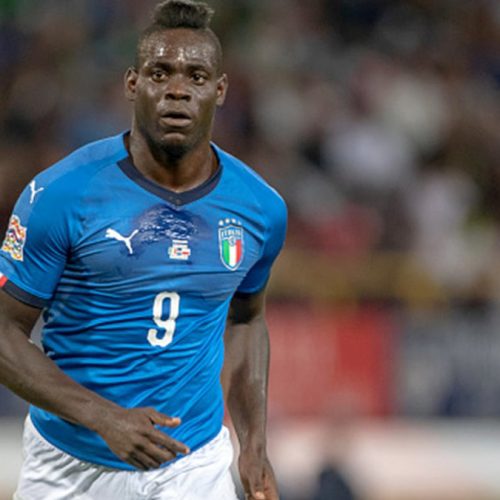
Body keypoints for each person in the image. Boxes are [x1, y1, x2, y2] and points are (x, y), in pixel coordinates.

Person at [0, 1, 286, 499]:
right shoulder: (62, 194)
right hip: (71, 466)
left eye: (197, 76)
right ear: (132, 84)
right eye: (160, 72)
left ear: (220, 91)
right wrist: (104, 418)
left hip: (194, 464)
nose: (177, 90)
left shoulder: (259, 207)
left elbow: (246, 319)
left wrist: (254, 443)